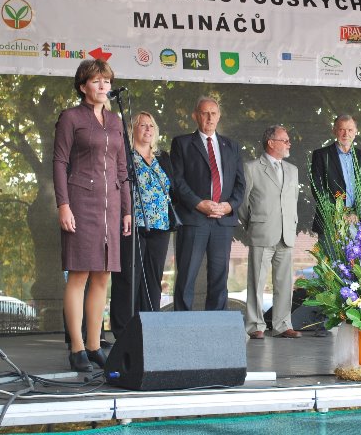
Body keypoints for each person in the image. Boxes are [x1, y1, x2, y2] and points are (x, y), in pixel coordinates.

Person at [53, 59, 131, 372]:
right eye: (97, 81)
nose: (103, 86)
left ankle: (95, 345)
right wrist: (63, 204)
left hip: (110, 207)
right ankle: (76, 348)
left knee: (103, 276)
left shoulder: (115, 121)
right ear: (83, 86)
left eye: (107, 81)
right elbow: (60, 162)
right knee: (79, 274)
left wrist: (126, 209)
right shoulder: (71, 117)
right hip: (80, 203)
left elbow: (122, 169)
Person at [170, 97, 245, 311]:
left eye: (213, 113)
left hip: (223, 221)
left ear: (219, 116)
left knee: (219, 279)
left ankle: (216, 324)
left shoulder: (232, 146)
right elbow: (177, 181)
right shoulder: (182, 143)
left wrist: (229, 206)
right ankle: (182, 323)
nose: (210, 117)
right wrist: (198, 203)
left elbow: (240, 184)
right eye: (205, 113)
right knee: (187, 276)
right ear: (195, 116)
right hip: (194, 219)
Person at [110, 111, 175, 338]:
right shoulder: (125, 156)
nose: (148, 129)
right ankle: (123, 331)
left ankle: (150, 328)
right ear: (132, 130)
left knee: (153, 279)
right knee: (128, 278)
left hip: (160, 225)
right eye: (142, 125)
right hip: (132, 223)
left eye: (151, 126)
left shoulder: (162, 157)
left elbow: (173, 186)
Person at [239, 125, 301, 339]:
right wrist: (254, 223)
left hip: (286, 234)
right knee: (256, 282)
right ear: (271, 143)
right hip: (262, 231)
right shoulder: (251, 168)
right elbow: (242, 203)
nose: (289, 144)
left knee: (284, 283)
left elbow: (292, 201)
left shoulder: (292, 170)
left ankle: (283, 325)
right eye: (285, 140)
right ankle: (255, 325)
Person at [310, 114, 361, 236]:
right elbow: (318, 188)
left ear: (356, 132)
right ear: (334, 131)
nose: (346, 134)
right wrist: (338, 214)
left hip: (357, 221)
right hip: (330, 221)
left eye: (350, 130)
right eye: (341, 129)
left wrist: (357, 212)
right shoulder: (321, 155)